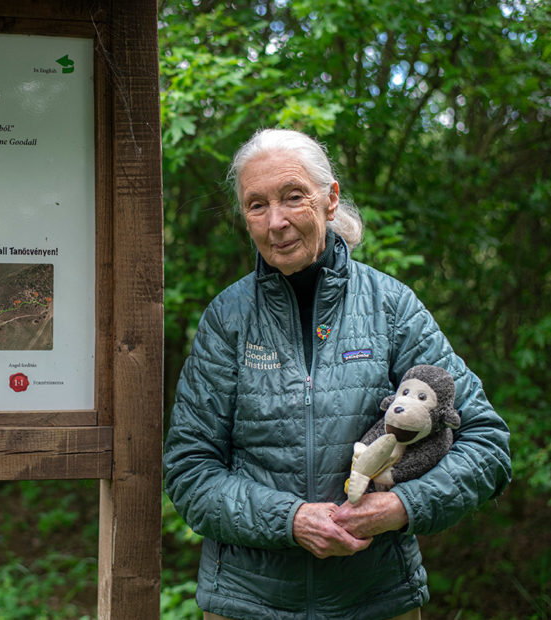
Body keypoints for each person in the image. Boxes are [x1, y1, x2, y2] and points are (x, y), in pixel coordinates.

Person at [163, 128, 511, 619]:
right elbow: (189, 470)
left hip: (376, 601)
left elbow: (486, 443)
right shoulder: (228, 318)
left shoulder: (391, 308)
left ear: (330, 200)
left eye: (293, 197)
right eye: (256, 205)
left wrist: (402, 507)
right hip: (249, 603)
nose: (276, 222)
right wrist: (291, 520)